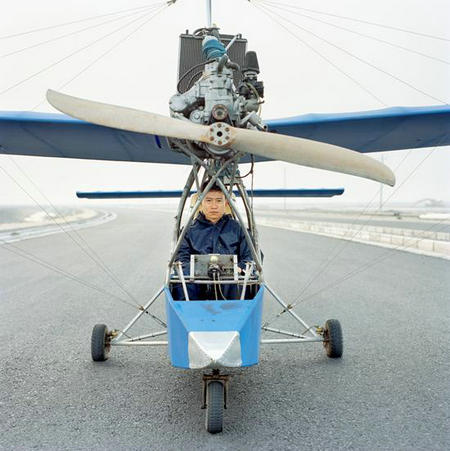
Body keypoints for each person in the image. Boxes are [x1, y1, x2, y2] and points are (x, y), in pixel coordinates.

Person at [174, 182, 253, 300]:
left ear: (226, 202)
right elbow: (181, 260)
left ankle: (233, 313)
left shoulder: (239, 229)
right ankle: (192, 314)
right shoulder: (188, 231)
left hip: (231, 285)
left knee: (240, 280)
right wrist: (200, 270)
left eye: (219, 201)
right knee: (182, 279)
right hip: (196, 283)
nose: (214, 206)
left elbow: (251, 256)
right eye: (209, 200)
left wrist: (239, 268)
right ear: (201, 202)